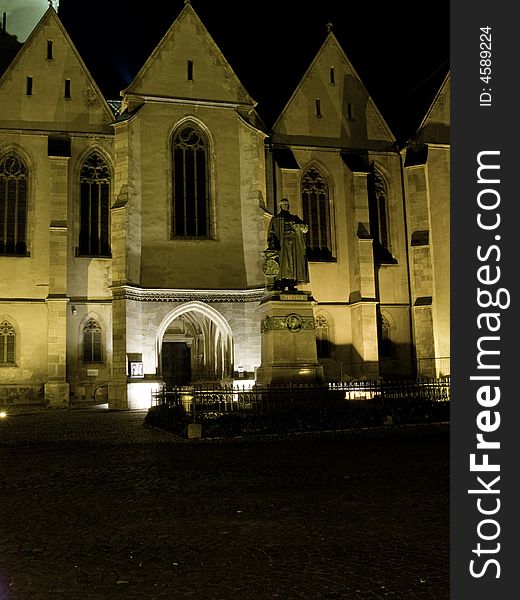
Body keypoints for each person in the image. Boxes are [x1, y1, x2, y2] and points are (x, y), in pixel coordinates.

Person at [267, 198, 309, 290]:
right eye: (285, 204)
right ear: (281, 206)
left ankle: (291, 282)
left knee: (292, 263)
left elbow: (305, 229)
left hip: (294, 244)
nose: (287, 206)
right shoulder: (276, 219)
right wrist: (272, 244)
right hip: (281, 245)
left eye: (288, 204)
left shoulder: (294, 218)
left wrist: (297, 226)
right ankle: (282, 281)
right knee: (283, 263)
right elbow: (271, 232)